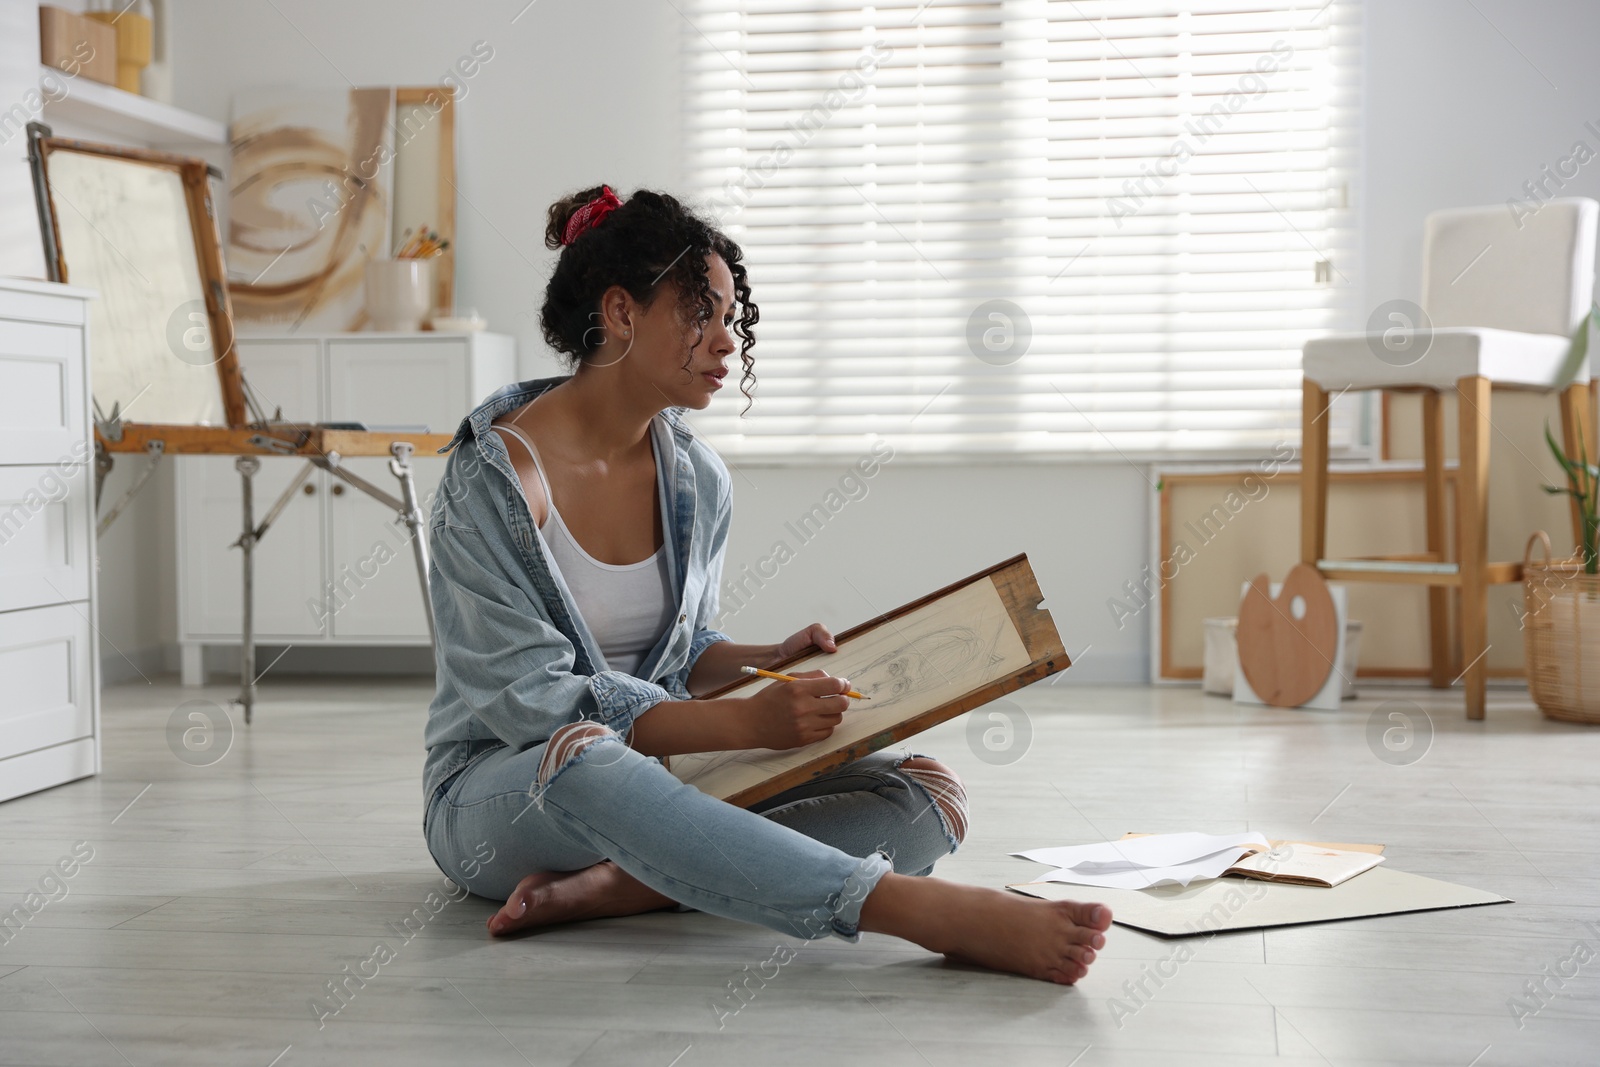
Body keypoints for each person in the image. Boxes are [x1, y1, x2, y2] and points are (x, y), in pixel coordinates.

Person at [421, 185, 1111, 984]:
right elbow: (527, 703)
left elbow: (679, 653)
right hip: (508, 789)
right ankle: (915, 910)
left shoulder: (696, 479)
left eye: (729, 321)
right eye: (701, 314)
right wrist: (742, 724)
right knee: (584, 751)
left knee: (929, 796)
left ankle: (633, 884)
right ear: (620, 312)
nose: (727, 343)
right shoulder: (493, 479)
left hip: (663, 781)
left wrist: (765, 664)